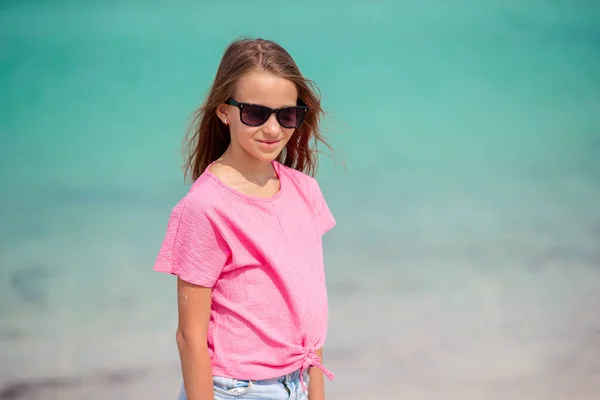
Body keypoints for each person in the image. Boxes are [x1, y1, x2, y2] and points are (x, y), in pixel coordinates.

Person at [153, 37, 337, 400]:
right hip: (235, 390)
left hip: (297, 382)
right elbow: (190, 336)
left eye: (287, 115)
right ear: (224, 111)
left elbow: (309, 316)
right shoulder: (206, 207)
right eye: (255, 113)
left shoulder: (306, 192)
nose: (272, 130)